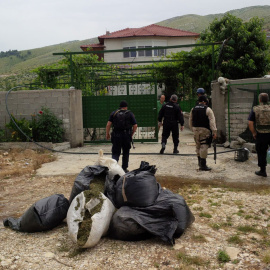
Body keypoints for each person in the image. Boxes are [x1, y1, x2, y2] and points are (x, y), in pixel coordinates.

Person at [106, 100, 137, 173]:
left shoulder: (114, 113)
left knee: (115, 153)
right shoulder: (130, 114)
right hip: (126, 136)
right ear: (126, 107)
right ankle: (124, 169)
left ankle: (113, 168)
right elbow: (135, 125)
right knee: (126, 152)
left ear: (120, 107)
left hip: (116, 135)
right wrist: (131, 133)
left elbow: (108, 124)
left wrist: (107, 134)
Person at [189, 95, 217, 171]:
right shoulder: (208, 109)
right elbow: (212, 121)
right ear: (205, 101)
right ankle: (203, 165)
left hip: (195, 129)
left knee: (198, 146)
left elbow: (190, 120)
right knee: (204, 146)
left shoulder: (193, 109)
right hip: (204, 130)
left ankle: (199, 162)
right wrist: (214, 132)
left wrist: (192, 129)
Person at [248, 93, 270, 177]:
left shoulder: (256, 109)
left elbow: (250, 122)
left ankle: (263, 171)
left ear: (259, 100)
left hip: (261, 134)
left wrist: (254, 133)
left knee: (261, 152)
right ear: (267, 100)